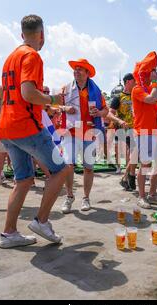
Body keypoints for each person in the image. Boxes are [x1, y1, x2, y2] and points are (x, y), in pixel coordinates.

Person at [0, 14, 69, 248]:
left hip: (7, 128)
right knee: (61, 169)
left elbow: (21, 95)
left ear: (22, 34)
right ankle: (42, 220)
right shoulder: (32, 55)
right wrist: (54, 99)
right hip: (26, 126)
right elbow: (28, 93)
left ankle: (9, 233)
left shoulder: (11, 57)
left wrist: (47, 102)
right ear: (41, 35)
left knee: (24, 179)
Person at [59, 58, 109, 213]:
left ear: (88, 73)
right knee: (68, 165)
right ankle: (69, 196)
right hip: (71, 132)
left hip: (88, 133)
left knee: (88, 167)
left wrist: (99, 112)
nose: (76, 71)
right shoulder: (66, 89)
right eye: (75, 69)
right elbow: (56, 106)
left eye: (80, 69)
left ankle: (86, 198)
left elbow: (106, 110)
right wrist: (66, 108)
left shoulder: (96, 90)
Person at [132, 51, 157, 209]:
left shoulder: (149, 90)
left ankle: (152, 194)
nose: (152, 76)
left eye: (152, 74)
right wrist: (155, 83)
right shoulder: (137, 90)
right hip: (143, 132)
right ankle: (141, 196)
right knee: (145, 164)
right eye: (149, 74)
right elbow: (152, 99)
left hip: (155, 132)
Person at [109, 73, 136, 192]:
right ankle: (128, 177)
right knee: (134, 153)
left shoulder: (137, 95)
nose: (136, 83)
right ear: (128, 81)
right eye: (134, 80)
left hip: (137, 128)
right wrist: (119, 121)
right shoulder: (118, 97)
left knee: (135, 154)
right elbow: (110, 113)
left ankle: (127, 177)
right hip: (125, 129)